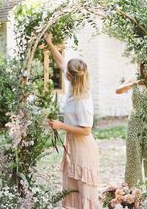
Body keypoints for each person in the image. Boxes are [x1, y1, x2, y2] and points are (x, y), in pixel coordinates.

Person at [45, 33, 100, 209]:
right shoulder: (73, 86)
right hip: (72, 146)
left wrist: (61, 125)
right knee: (71, 190)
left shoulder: (82, 99)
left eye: (66, 71)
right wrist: (50, 43)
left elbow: (86, 130)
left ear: (70, 75)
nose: (64, 70)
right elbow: (61, 62)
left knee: (85, 193)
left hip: (83, 148)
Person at [116, 65, 147, 188]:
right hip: (134, 122)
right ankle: (134, 193)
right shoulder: (135, 78)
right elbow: (118, 90)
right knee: (133, 157)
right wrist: (134, 83)